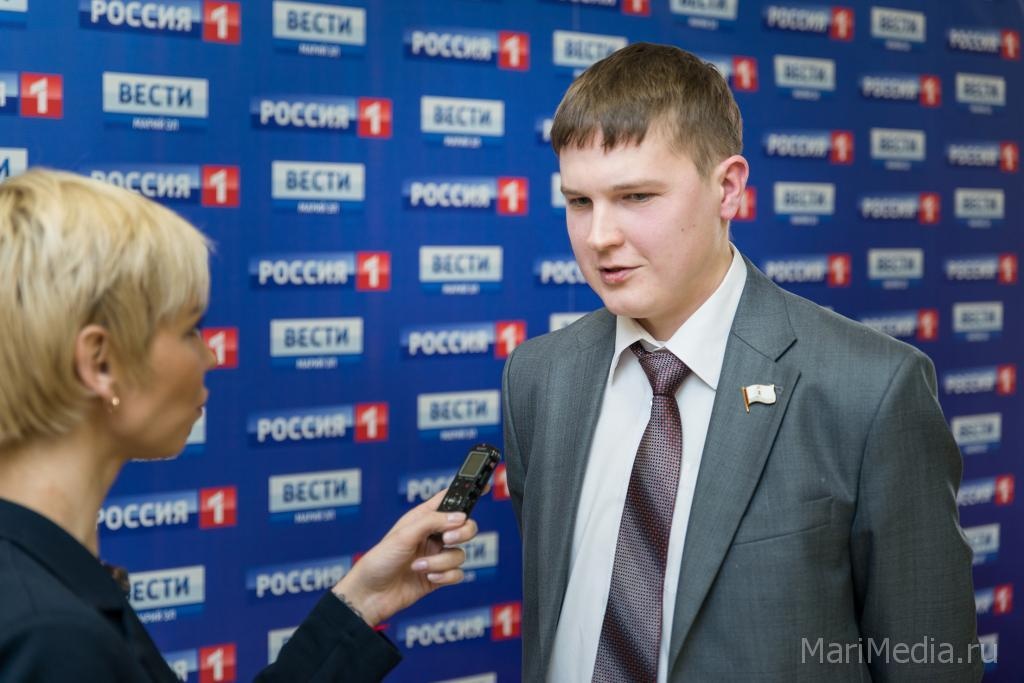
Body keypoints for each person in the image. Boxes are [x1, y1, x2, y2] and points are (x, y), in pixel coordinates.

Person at [501, 43, 981, 682]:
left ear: (727, 188)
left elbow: (931, 663)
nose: (598, 237)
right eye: (579, 201)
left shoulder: (870, 389)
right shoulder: (538, 378)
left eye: (636, 196)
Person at [0, 169, 479, 682]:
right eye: (190, 329)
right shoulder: (50, 637)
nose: (210, 356)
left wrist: (363, 599)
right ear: (100, 362)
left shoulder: (41, 588)